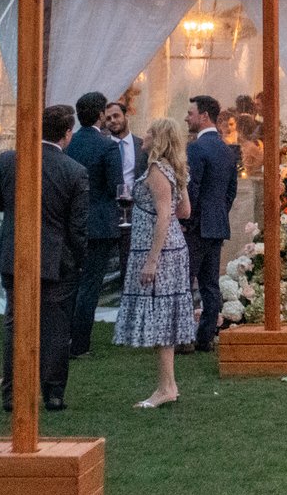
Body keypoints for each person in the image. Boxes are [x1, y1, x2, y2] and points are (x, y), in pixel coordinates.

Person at [0, 104, 90, 413]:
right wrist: (79, 259)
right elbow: (78, 226)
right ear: (67, 134)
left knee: (16, 325)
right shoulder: (74, 171)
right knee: (55, 328)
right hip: (57, 259)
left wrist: (15, 209)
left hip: (15, 254)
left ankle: (13, 395)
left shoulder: (10, 160)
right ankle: (52, 393)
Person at [114, 117, 196, 408]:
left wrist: (151, 260)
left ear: (158, 138)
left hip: (158, 249)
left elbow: (166, 214)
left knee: (161, 316)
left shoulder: (155, 170)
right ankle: (169, 385)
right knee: (166, 315)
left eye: (149, 132)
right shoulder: (173, 169)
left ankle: (165, 388)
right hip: (173, 247)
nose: (143, 136)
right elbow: (184, 211)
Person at [65, 91, 125, 361]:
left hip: (71, 220)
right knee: (90, 285)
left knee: (70, 283)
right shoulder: (108, 146)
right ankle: (79, 344)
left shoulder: (70, 143)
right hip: (100, 223)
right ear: (101, 115)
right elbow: (117, 186)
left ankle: (63, 337)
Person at [184, 95, 239, 352]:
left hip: (196, 226)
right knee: (210, 284)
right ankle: (205, 337)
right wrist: (218, 212)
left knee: (185, 281)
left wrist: (188, 220)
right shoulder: (228, 149)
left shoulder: (196, 148)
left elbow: (192, 189)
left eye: (190, 113)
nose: (187, 117)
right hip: (216, 224)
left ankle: (183, 337)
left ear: (204, 115)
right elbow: (231, 191)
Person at [101, 98, 144, 294]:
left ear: (126, 116)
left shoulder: (142, 146)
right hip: (108, 210)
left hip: (135, 211)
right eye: (108, 118)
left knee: (130, 261)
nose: (112, 121)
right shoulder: (102, 146)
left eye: (116, 116)